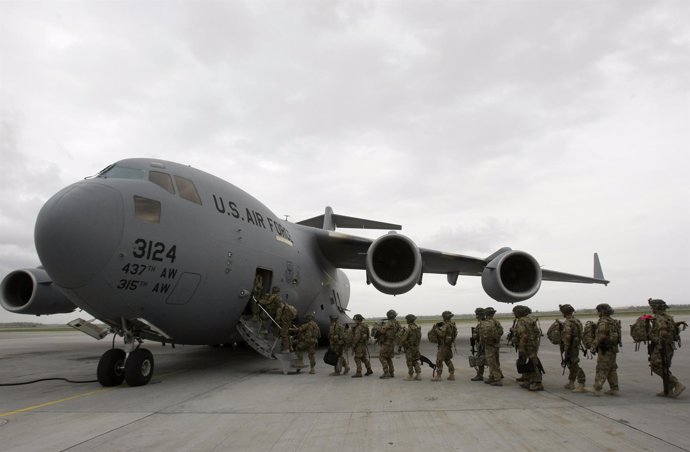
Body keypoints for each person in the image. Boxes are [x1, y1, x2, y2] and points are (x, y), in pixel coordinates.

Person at [648, 298, 686, 398]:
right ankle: (667, 389)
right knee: (663, 367)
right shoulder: (667, 316)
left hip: (662, 346)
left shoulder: (660, 318)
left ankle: (676, 384)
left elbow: (663, 333)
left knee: (656, 366)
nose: (651, 309)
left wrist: (652, 337)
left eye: (652, 307)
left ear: (656, 307)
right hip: (668, 346)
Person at [586, 303, 620, 396]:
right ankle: (614, 388)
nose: (597, 313)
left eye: (598, 311)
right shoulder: (612, 321)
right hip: (613, 348)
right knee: (611, 368)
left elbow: (601, 335)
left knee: (602, 367)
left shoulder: (603, 321)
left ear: (602, 311)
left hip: (605, 349)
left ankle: (596, 388)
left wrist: (593, 346)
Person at [513, 305, 543, 391]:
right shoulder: (530, 320)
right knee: (528, 362)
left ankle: (537, 383)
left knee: (531, 362)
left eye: (515, 312)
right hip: (533, 344)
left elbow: (524, 335)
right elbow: (537, 332)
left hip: (526, 345)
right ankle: (528, 380)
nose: (514, 314)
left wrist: (522, 348)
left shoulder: (521, 321)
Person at [559, 304, 586, 393]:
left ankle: (581, 384)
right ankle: (571, 383)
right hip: (576, 345)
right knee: (571, 364)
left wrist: (566, 348)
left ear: (564, 313)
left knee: (574, 364)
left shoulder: (568, 322)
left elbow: (567, 336)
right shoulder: (577, 321)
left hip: (570, 346)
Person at [479, 307, 503, 386]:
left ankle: (497, 379)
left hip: (489, 345)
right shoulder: (496, 322)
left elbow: (482, 335)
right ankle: (492, 377)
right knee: (494, 361)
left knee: (492, 362)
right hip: (496, 344)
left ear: (486, 314)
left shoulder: (486, 323)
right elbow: (501, 331)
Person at [432, 311, 457, 381]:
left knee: (439, 361)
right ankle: (452, 374)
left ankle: (438, 376)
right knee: (447, 360)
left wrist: (436, 329)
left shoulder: (446, 325)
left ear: (444, 317)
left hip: (443, 346)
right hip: (448, 345)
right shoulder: (452, 324)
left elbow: (442, 334)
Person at [398, 314, 422, 381]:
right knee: (415, 361)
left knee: (409, 361)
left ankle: (410, 375)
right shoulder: (417, 328)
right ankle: (418, 374)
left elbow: (403, 339)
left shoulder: (409, 329)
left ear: (409, 320)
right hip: (416, 347)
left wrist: (400, 333)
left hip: (409, 348)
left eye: (407, 320)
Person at [378, 309, 401, 378]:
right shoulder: (397, 323)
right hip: (392, 342)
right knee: (388, 357)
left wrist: (377, 326)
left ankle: (386, 372)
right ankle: (391, 372)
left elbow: (382, 331)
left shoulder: (389, 323)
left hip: (387, 343)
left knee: (381, 356)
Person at [470, 307, 486, 381]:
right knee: (493, 360)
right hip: (490, 345)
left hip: (482, 345)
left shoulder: (481, 324)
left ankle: (480, 375)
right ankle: (498, 374)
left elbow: (478, 335)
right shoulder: (492, 322)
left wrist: (474, 335)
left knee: (480, 359)